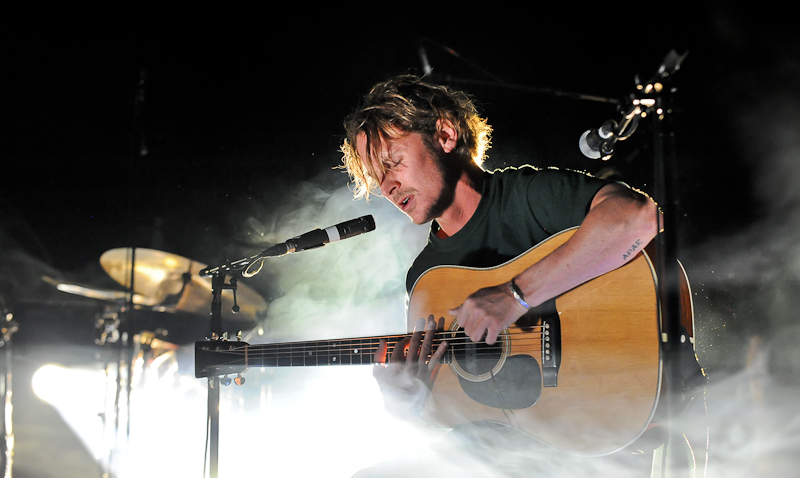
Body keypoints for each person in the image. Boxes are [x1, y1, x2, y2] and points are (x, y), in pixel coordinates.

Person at [340, 75, 698, 476]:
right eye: (377, 178)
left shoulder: (526, 197)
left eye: (393, 164)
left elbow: (637, 218)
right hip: (512, 457)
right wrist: (407, 402)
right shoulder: (425, 276)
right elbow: (460, 414)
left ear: (444, 134)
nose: (387, 186)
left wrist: (514, 297)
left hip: (602, 445)